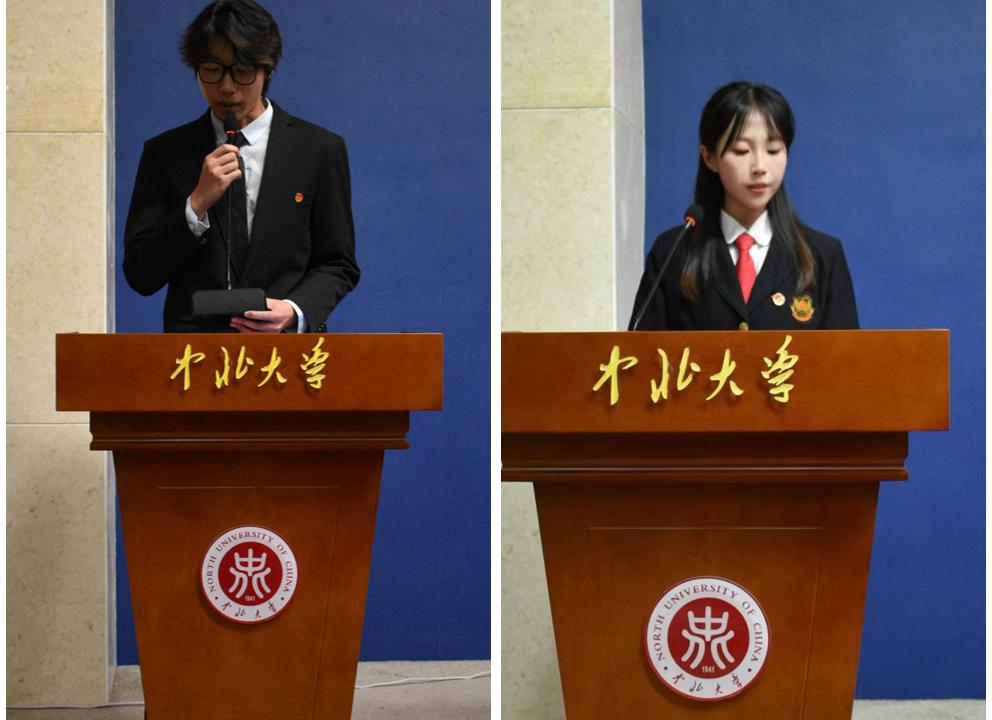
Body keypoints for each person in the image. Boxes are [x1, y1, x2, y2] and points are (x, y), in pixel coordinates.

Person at [123, 0, 359, 333]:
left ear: (267, 69)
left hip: (284, 348)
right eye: (211, 69)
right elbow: (140, 274)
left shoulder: (319, 150)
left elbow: (338, 263)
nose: (226, 86)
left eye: (242, 70)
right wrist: (195, 205)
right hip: (194, 352)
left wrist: (293, 310)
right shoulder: (165, 153)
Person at [629, 82, 858, 331]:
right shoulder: (672, 253)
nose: (759, 166)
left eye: (773, 150)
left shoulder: (824, 256)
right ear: (710, 157)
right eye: (741, 151)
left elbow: (846, 355)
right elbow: (640, 351)